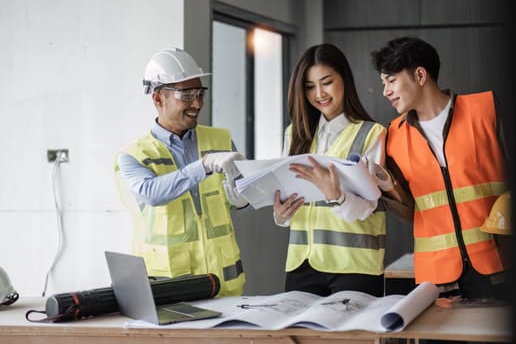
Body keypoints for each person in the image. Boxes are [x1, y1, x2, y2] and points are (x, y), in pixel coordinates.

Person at [370, 36, 511, 303]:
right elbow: (410, 211)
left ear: (420, 75)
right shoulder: (394, 137)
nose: (385, 91)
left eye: (391, 81)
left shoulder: (486, 109)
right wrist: (388, 188)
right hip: (437, 278)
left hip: (498, 267)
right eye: (383, 83)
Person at [114, 47, 249, 297]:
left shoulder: (221, 139)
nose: (197, 103)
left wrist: (246, 194)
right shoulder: (133, 155)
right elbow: (151, 193)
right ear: (158, 99)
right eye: (186, 95)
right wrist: (203, 165)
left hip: (225, 287)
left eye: (200, 93)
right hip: (170, 291)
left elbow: (241, 194)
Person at [272, 43, 389, 297]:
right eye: (310, 86)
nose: (319, 93)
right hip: (302, 264)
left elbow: (370, 206)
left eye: (326, 82)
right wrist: (282, 215)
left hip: (355, 266)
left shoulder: (371, 134)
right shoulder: (294, 134)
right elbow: (291, 202)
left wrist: (337, 196)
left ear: (344, 80)